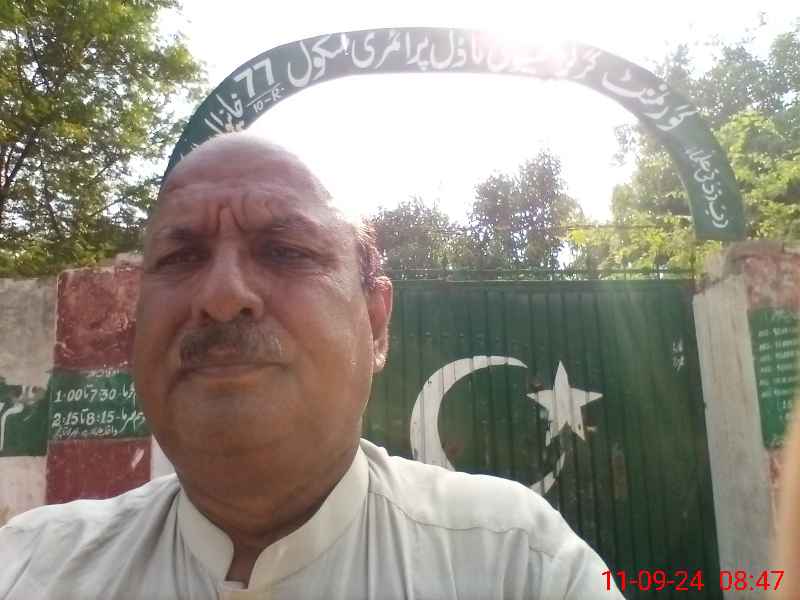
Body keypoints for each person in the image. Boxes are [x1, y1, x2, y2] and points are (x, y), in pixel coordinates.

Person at [0, 132, 623, 599]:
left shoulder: (518, 563)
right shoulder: (31, 567)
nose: (221, 296)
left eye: (284, 251)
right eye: (181, 257)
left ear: (375, 324)